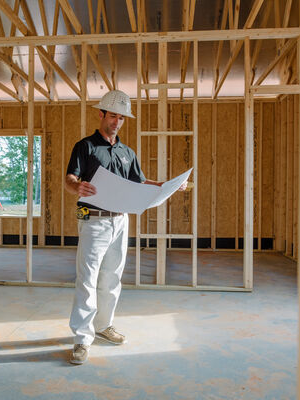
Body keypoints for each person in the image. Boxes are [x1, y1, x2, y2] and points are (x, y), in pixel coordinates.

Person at [64, 89, 187, 365]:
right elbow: (69, 178)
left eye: (121, 117)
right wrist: (76, 186)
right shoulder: (85, 147)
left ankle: (103, 326)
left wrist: (168, 185)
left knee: (111, 278)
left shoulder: (127, 152)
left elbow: (139, 183)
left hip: (120, 222)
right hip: (93, 221)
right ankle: (82, 340)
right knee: (87, 280)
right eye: (113, 116)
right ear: (101, 114)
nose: (117, 122)